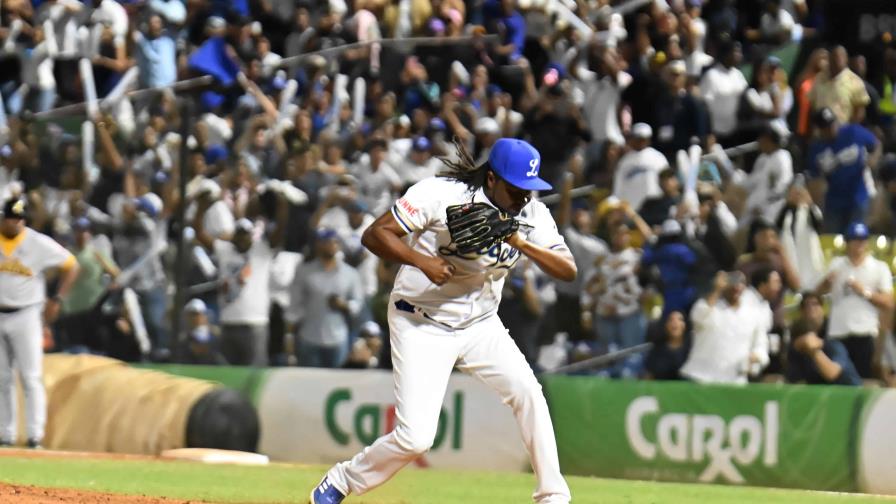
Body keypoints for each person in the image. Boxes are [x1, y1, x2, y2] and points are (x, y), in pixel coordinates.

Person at [309, 138, 576, 504]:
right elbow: (375, 234)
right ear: (493, 179)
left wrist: (521, 241)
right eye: (517, 190)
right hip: (422, 321)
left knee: (528, 393)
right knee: (415, 437)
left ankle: (552, 496)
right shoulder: (439, 194)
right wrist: (424, 261)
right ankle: (342, 480)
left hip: (480, 324)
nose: (524, 199)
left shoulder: (530, 214)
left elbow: (568, 270)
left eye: (530, 191)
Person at [0, 197, 80, 448]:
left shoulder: (37, 243)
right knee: (2, 378)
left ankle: (36, 435)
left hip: (26, 314)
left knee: (31, 376)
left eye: (19, 218)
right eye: (11, 217)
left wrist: (57, 298)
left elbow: (71, 265)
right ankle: (6, 434)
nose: (15, 222)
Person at [813, 222, 893, 379]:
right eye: (855, 240)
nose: (859, 244)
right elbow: (816, 294)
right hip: (838, 332)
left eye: (863, 239)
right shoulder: (836, 265)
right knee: (839, 375)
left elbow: (888, 302)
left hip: (866, 330)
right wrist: (827, 282)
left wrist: (865, 292)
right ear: (847, 243)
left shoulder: (878, 267)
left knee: (862, 376)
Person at [287, 228, 364, 368]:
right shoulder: (304, 271)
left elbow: (358, 304)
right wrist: (290, 336)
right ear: (317, 245)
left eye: (334, 242)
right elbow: (294, 304)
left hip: (338, 338)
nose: (330, 245)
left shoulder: (350, 273)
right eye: (325, 242)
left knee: (336, 385)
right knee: (308, 384)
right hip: (309, 337)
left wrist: (344, 305)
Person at [679, 271, 769, 384]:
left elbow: (761, 348)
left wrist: (755, 357)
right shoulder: (710, 306)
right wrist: (716, 290)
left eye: (741, 283)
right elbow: (698, 316)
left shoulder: (754, 314)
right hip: (701, 378)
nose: (737, 287)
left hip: (734, 382)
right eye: (732, 282)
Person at [806, 107, 881, 233]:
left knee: (857, 236)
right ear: (819, 129)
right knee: (834, 239)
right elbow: (815, 178)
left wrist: (873, 159)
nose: (831, 129)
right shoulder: (816, 148)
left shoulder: (853, 131)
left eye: (832, 124)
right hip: (834, 200)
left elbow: (876, 144)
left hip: (858, 195)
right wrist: (817, 203)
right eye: (826, 127)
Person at [786, 292, 862, 386]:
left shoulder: (834, 342)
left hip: (847, 391)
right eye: (806, 305)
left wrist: (814, 351)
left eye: (815, 304)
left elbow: (832, 373)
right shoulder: (795, 348)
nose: (810, 309)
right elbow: (795, 380)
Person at [612, 123, 669, 212]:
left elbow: (667, 182)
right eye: (638, 139)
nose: (641, 142)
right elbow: (618, 189)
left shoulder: (658, 158)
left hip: (656, 207)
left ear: (649, 139)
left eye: (643, 139)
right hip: (632, 211)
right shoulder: (625, 162)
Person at [643, 310, 690, 380]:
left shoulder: (692, 350)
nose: (675, 322)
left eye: (680, 319)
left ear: (685, 325)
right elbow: (648, 376)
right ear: (666, 325)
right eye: (671, 320)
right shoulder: (656, 351)